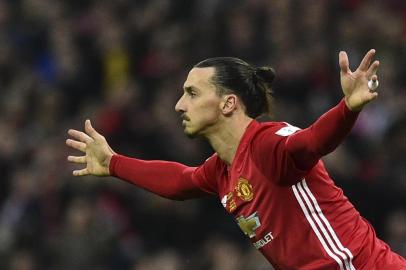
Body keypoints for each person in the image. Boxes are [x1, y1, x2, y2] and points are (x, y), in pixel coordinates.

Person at [66, 49, 406, 269]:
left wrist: (347, 109)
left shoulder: (267, 144)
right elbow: (180, 182)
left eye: (192, 93)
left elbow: (313, 142)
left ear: (229, 103)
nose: (179, 105)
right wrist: (113, 163)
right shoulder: (223, 169)